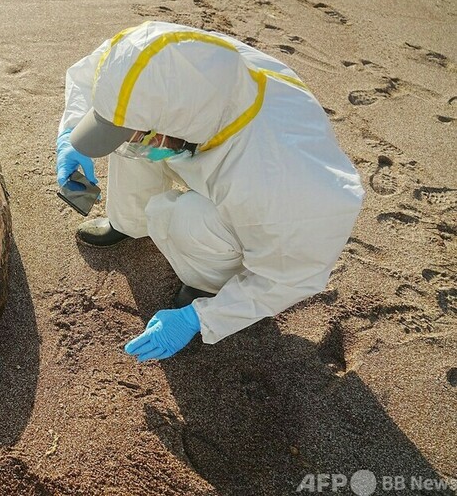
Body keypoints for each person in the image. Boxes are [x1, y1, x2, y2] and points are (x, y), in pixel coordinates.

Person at [55, 21, 364, 362]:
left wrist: (203, 318)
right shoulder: (156, 58)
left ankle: (207, 284)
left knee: (183, 216)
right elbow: (98, 75)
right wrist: (70, 136)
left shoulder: (283, 183)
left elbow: (290, 274)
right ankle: (128, 223)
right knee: (131, 142)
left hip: (256, 183)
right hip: (198, 144)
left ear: (179, 123)